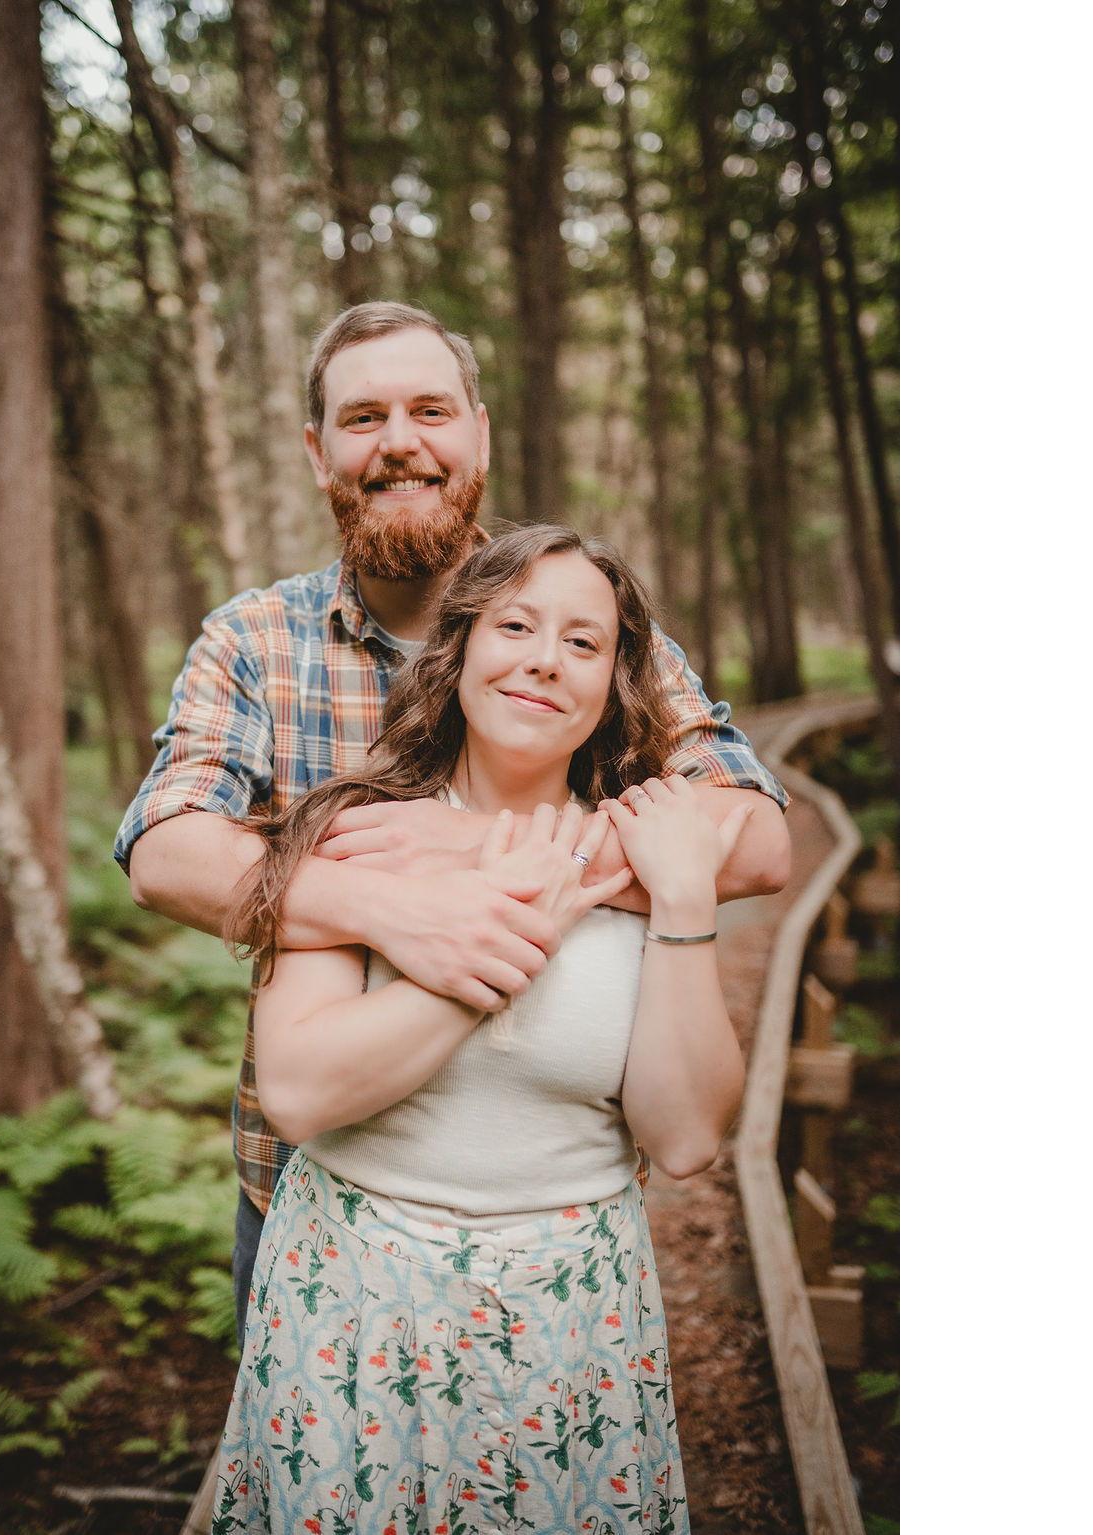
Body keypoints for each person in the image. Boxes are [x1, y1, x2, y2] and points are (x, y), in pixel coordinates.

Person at [112, 301, 789, 1340]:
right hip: (309, 1186)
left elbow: (750, 830)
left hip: (550, 1200)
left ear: (476, 431)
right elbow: (167, 850)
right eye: (362, 416)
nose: (398, 442)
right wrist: (384, 902)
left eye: (428, 409)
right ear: (316, 449)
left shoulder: (580, 620)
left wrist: (478, 846)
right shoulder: (256, 636)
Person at [207, 524, 738, 1533]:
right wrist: (509, 932)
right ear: (458, 651)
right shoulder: (353, 827)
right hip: (356, 1310)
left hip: (573, 1312)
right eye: (515, 625)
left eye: (583, 642)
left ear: (613, 683)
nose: (544, 656)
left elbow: (684, 1137)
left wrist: (679, 903)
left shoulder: (643, 849)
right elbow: (303, 1090)